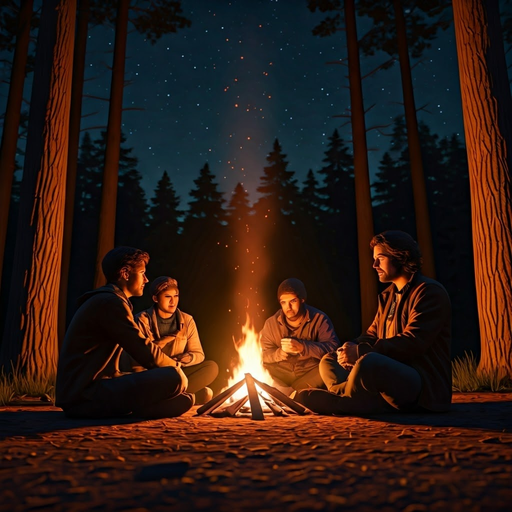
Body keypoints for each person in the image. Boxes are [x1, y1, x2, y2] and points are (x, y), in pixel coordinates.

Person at [294, 230, 452, 416]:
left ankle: (345, 403)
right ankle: (353, 399)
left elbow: (414, 342)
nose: (374, 264)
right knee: (329, 360)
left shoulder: (429, 292)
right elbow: (371, 335)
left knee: (370, 362)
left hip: (422, 387)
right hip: (385, 380)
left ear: (400, 257)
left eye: (380, 258)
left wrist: (361, 353)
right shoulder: (388, 297)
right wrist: (349, 349)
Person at [55, 247, 194, 419]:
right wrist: (176, 367)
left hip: (87, 392)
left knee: (185, 399)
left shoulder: (110, 300)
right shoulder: (109, 303)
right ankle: (131, 410)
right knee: (174, 377)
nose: (146, 279)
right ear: (126, 273)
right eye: (142, 273)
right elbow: (143, 350)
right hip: (84, 396)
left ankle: (134, 409)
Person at [126, 276, 219, 405]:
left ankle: (166, 398)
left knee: (211, 367)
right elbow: (139, 357)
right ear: (155, 298)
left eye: (176, 296)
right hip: (152, 374)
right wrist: (166, 340)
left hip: (177, 371)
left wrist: (185, 359)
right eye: (167, 297)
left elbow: (199, 354)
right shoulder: (142, 320)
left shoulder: (187, 320)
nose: (173, 301)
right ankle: (172, 398)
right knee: (203, 393)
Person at [259, 278, 340, 395]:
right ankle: (289, 394)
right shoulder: (271, 324)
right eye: (283, 302)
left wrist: (303, 347)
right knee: (258, 371)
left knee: (327, 368)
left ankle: (294, 395)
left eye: (293, 301)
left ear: (302, 299)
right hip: (281, 377)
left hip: (309, 374)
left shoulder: (319, 319)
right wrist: (279, 354)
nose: (288, 307)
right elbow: (262, 355)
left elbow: (334, 349)